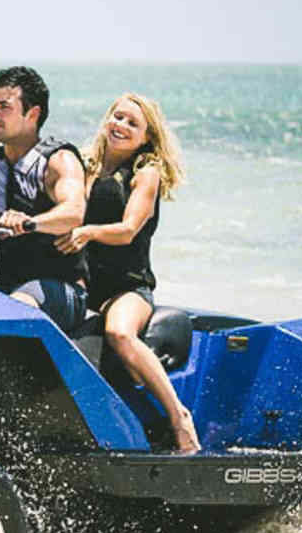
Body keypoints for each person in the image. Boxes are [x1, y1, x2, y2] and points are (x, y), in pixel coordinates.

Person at [54, 93, 201, 454]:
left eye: (132, 123)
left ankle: (179, 417)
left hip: (128, 289)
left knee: (119, 333)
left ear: (147, 137)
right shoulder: (84, 167)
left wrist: (87, 232)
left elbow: (128, 230)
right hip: (84, 286)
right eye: (117, 117)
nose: (121, 125)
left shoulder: (145, 173)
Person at [0, 66, 88, 334]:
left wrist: (28, 223)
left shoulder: (59, 161)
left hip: (61, 290)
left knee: (17, 305)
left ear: (32, 114)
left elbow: (74, 212)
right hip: (5, 283)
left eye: (4, 107)